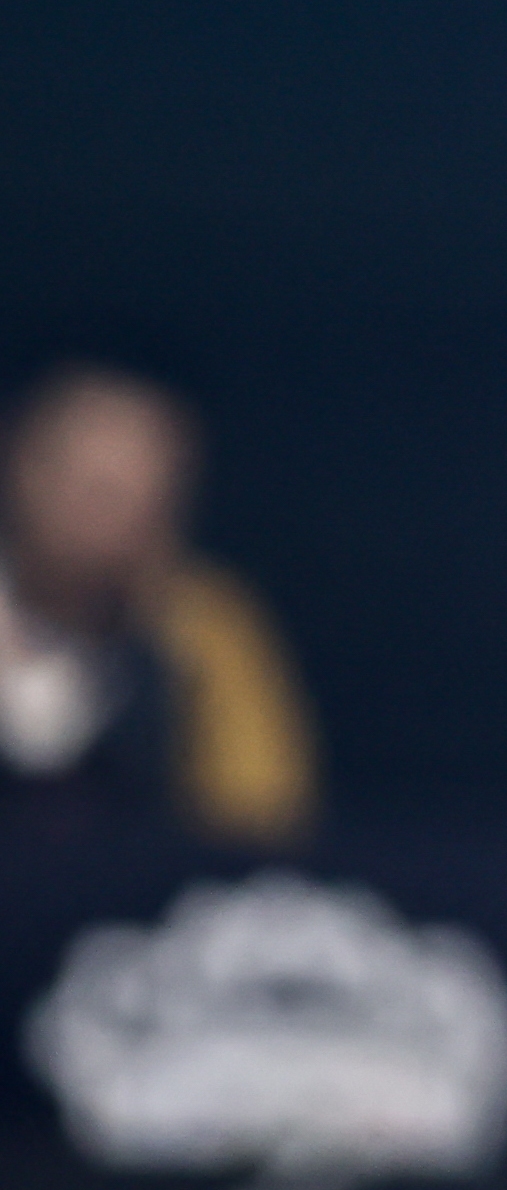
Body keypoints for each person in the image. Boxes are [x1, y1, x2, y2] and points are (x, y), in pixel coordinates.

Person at [0, 364, 316, 853]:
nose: (109, 519)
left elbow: (263, 818)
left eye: (140, 496)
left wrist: (165, 645)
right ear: (22, 471)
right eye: (94, 489)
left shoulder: (202, 626)